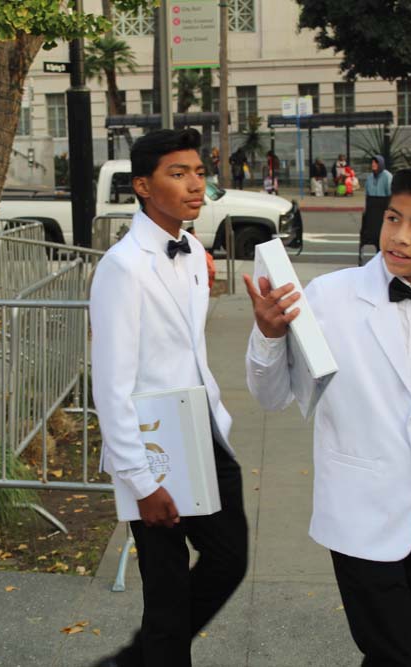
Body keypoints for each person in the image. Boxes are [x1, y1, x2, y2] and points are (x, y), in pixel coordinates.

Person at [244, 165, 411, 667]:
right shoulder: (329, 296)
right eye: (393, 218)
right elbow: (272, 397)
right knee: (398, 654)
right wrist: (267, 334)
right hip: (360, 509)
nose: (398, 236)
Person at [90, 128, 247, 667]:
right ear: (142, 186)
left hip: (202, 431)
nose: (194, 184)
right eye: (177, 174)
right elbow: (110, 382)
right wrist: (140, 480)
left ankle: (136, 660)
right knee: (165, 585)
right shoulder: (122, 266)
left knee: (229, 559)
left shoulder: (193, 253)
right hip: (152, 445)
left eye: (199, 173)